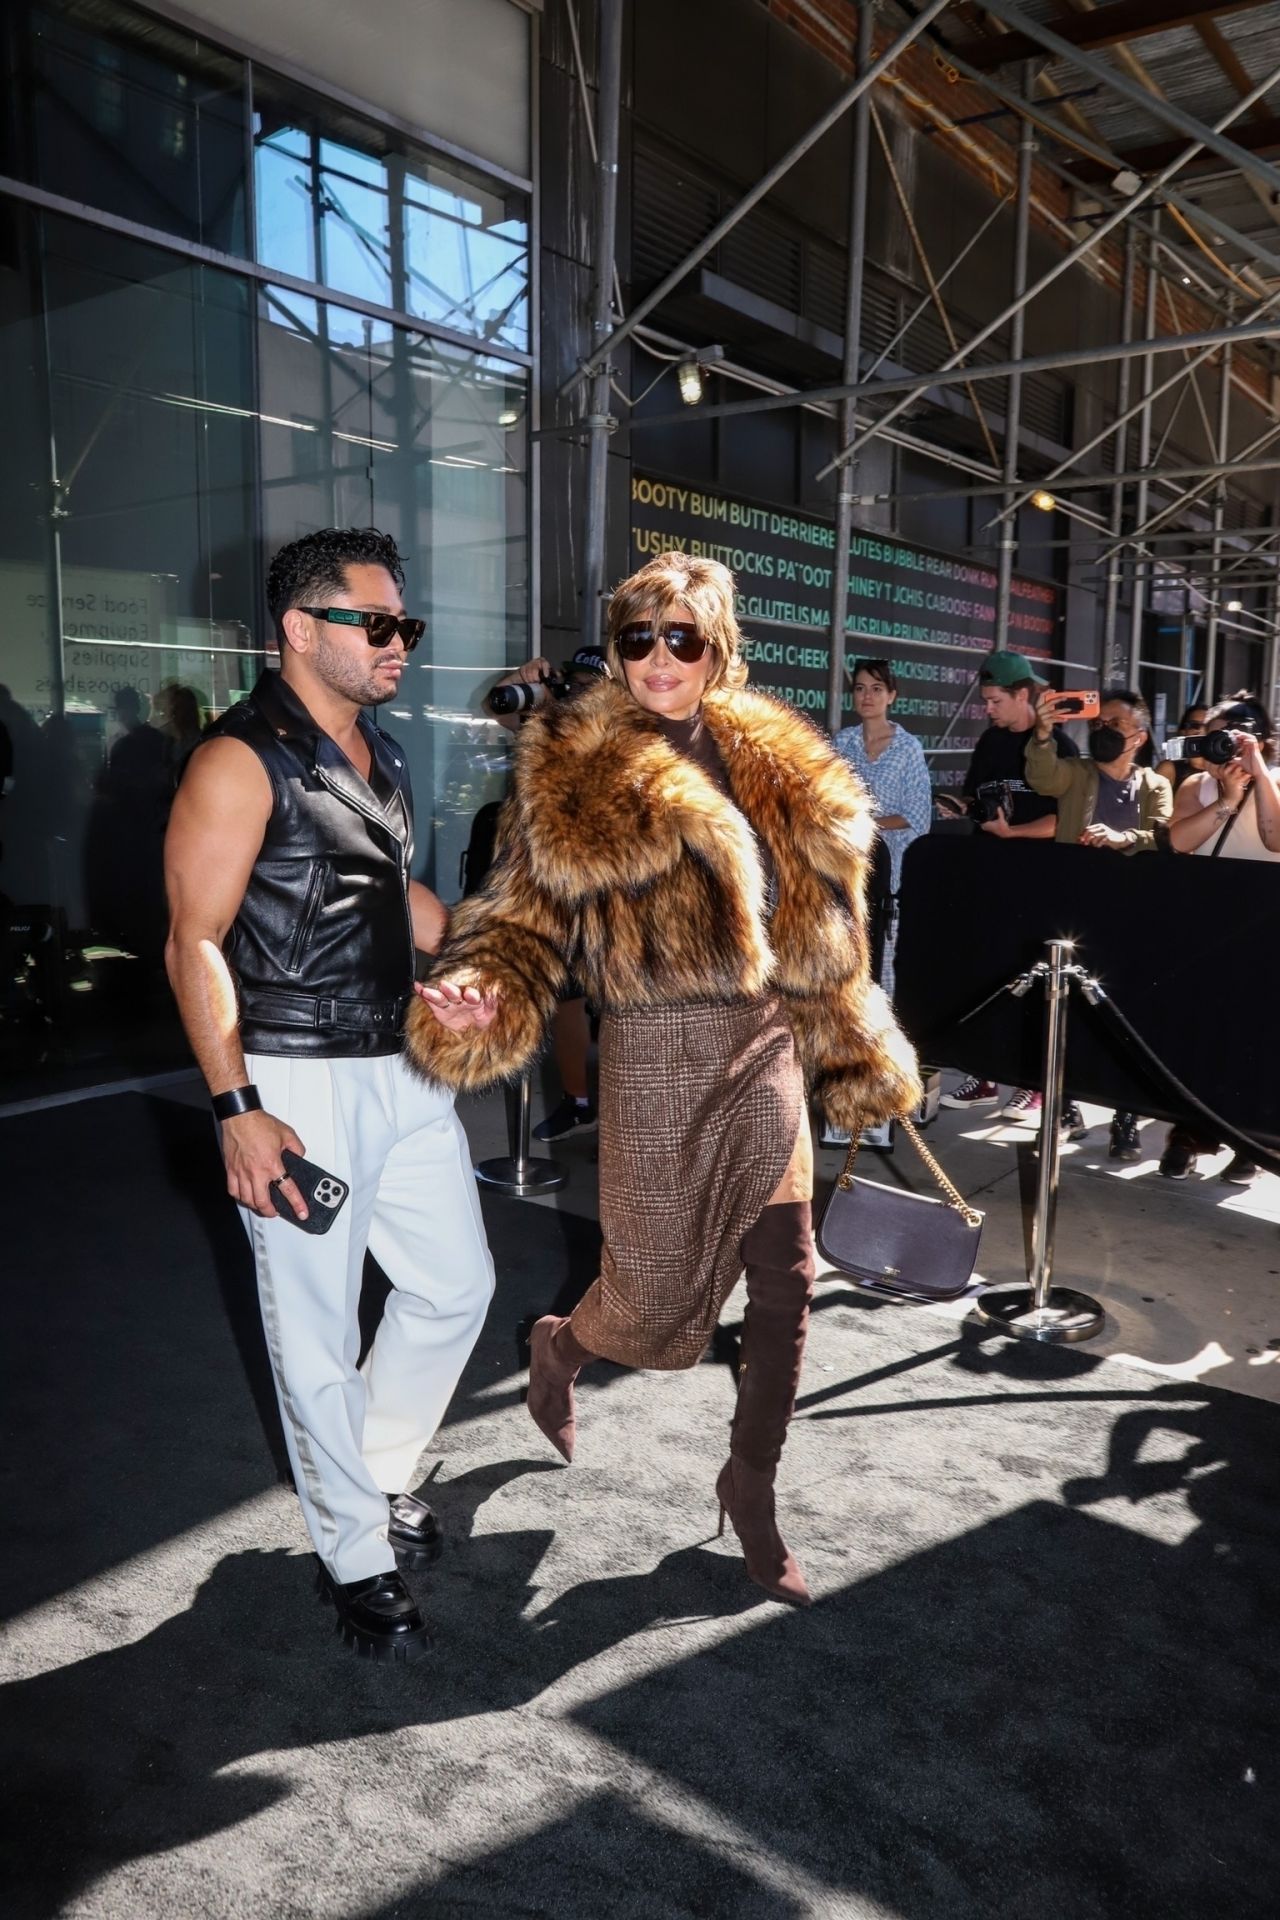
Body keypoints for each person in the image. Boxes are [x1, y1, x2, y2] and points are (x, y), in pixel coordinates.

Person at [408, 552, 920, 1608]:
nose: (655, 659)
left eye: (680, 637)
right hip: (650, 1050)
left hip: (763, 1043)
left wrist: (849, 1043)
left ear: (718, 646)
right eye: (636, 637)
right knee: (647, 1303)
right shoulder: (574, 764)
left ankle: (753, 1485)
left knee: (787, 1278)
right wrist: (479, 989)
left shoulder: (783, 763)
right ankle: (561, 1345)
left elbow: (829, 932)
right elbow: (521, 914)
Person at [164, 527, 495, 1662]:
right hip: (295, 1077)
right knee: (312, 1328)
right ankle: (354, 1554)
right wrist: (236, 1106)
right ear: (302, 630)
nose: (400, 640)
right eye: (379, 623)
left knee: (454, 1287)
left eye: (404, 623)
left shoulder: (386, 753)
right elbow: (192, 941)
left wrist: (465, 968)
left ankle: (381, 1468)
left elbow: (388, 890)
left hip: (402, 1063)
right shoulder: (235, 760)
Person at [1026, 686, 1172, 1161]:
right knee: (1066, 1012)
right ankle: (1064, 1108)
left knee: (1125, 1020)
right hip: (1077, 910)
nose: (1103, 731)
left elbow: (1162, 836)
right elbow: (1043, 777)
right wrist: (1044, 733)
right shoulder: (1078, 775)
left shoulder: (1155, 785)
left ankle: (1125, 1119)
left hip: (1132, 915)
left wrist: (1122, 836)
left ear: (1139, 737)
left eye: (1114, 724)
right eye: (1098, 724)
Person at [941, 650, 1082, 1128]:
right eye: (985, 701)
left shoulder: (1060, 747)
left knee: (1036, 980)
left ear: (1023, 695)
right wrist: (960, 807)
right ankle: (985, 1074)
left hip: (1041, 879)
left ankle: (1033, 1084)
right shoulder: (989, 742)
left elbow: (1067, 819)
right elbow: (979, 796)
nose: (988, 709)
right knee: (989, 974)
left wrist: (1014, 834)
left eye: (995, 700)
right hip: (991, 876)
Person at [489, 643, 611, 1143]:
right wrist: (522, 678)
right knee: (565, 999)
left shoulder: (620, 732)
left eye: (591, 686)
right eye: (575, 685)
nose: (580, 694)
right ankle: (579, 1101)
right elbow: (496, 709)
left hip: (606, 886)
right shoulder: (549, 727)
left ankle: (623, 1119)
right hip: (553, 882)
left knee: (620, 1005)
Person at [1160, 694, 1280, 1184]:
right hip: (1207, 923)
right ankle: (1190, 1136)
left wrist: (1257, 771)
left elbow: (1275, 839)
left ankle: (1251, 1144)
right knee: (1202, 1033)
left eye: (1229, 736)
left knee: (1254, 1037)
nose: (1221, 746)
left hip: (1264, 926)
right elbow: (1177, 842)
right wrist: (1227, 799)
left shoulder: (1275, 782)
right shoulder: (1196, 785)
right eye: (1215, 735)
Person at [833, 658, 932, 998]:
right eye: (860, 689)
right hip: (850, 865)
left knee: (885, 955)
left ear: (892, 695)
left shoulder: (908, 748)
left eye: (876, 689)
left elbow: (917, 814)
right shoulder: (843, 743)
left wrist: (865, 824)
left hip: (893, 871)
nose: (867, 696)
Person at [1156, 703, 1208, 792]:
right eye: (1194, 725)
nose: (1201, 731)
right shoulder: (1169, 769)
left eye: (1207, 726)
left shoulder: (1221, 769)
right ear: (1183, 732)